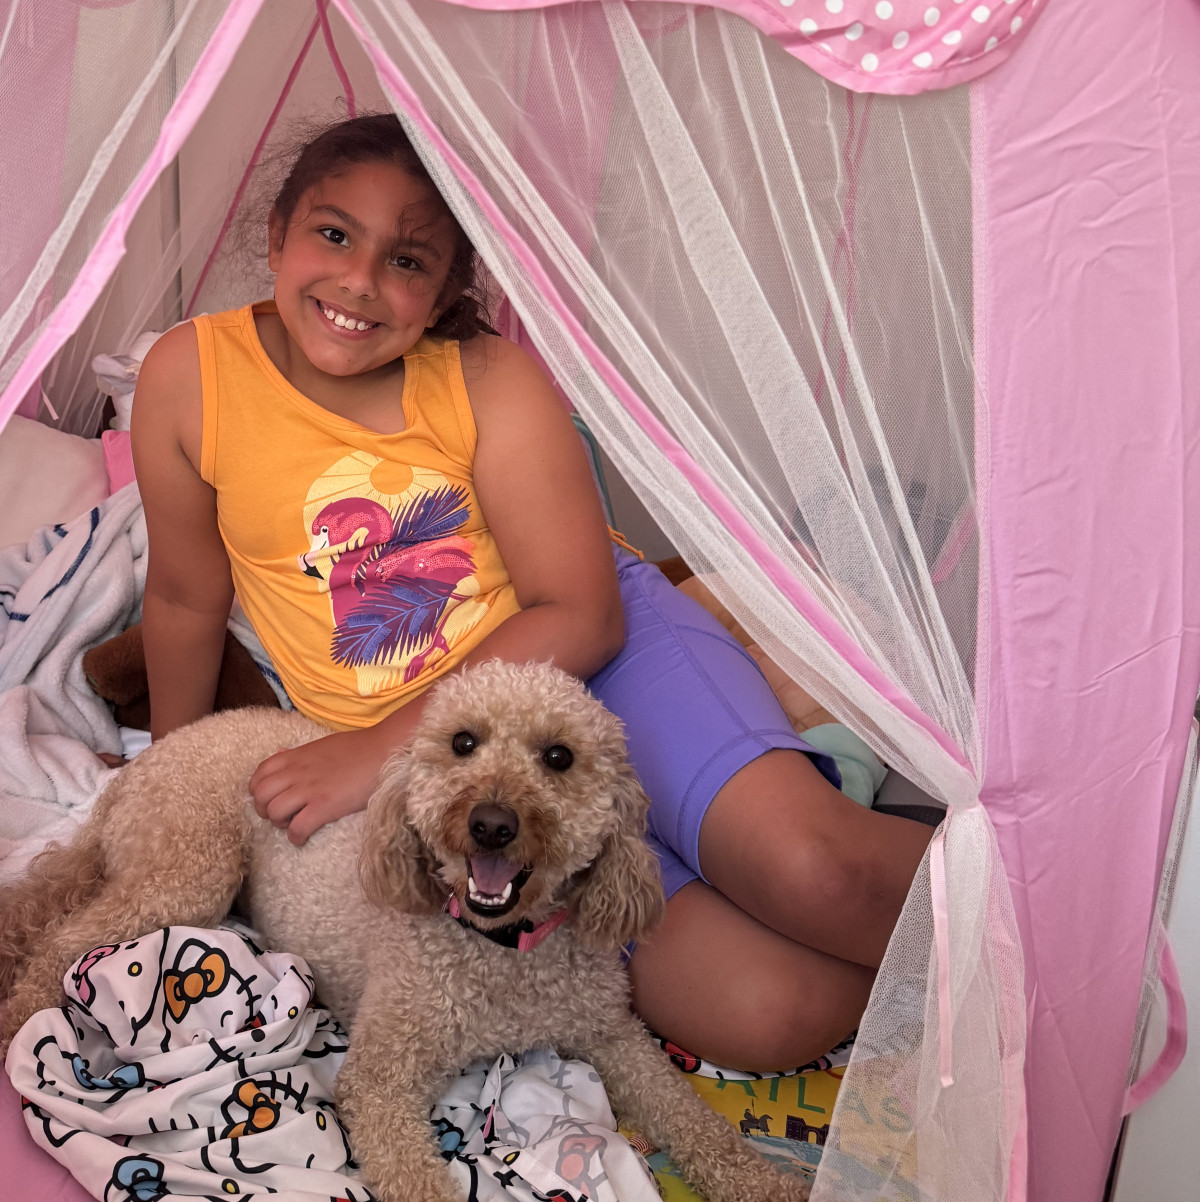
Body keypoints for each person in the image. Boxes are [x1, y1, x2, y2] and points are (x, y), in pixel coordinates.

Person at [130, 114, 930, 1072]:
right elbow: (184, 599)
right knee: (767, 1013)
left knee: (819, 874)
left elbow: (581, 614)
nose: (359, 281)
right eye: (333, 235)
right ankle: (795, 828)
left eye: (408, 261)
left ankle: (1031, 909)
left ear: (445, 292)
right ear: (276, 235)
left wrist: (376, 752)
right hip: (463, 765)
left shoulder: (485, 378)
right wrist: (163, 778)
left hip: (606, 668)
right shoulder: (190, 378)